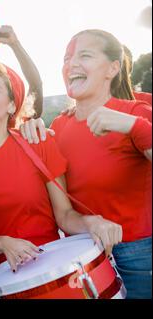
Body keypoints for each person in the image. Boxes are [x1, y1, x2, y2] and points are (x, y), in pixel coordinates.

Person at [0, 59, 121, 273]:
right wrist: (1, 242)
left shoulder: (37, 143)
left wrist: (92, 223)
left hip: (52, 269)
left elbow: (65, 215)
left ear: (12, 105)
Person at [49, 29, 151, 299]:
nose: (72, 64)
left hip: (139, 258)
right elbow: (63, 209)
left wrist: (133, 126)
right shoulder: (59, 125)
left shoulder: (135, 113)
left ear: (112, 68)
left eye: (85, 55)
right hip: (83, 256)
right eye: (67, 58)